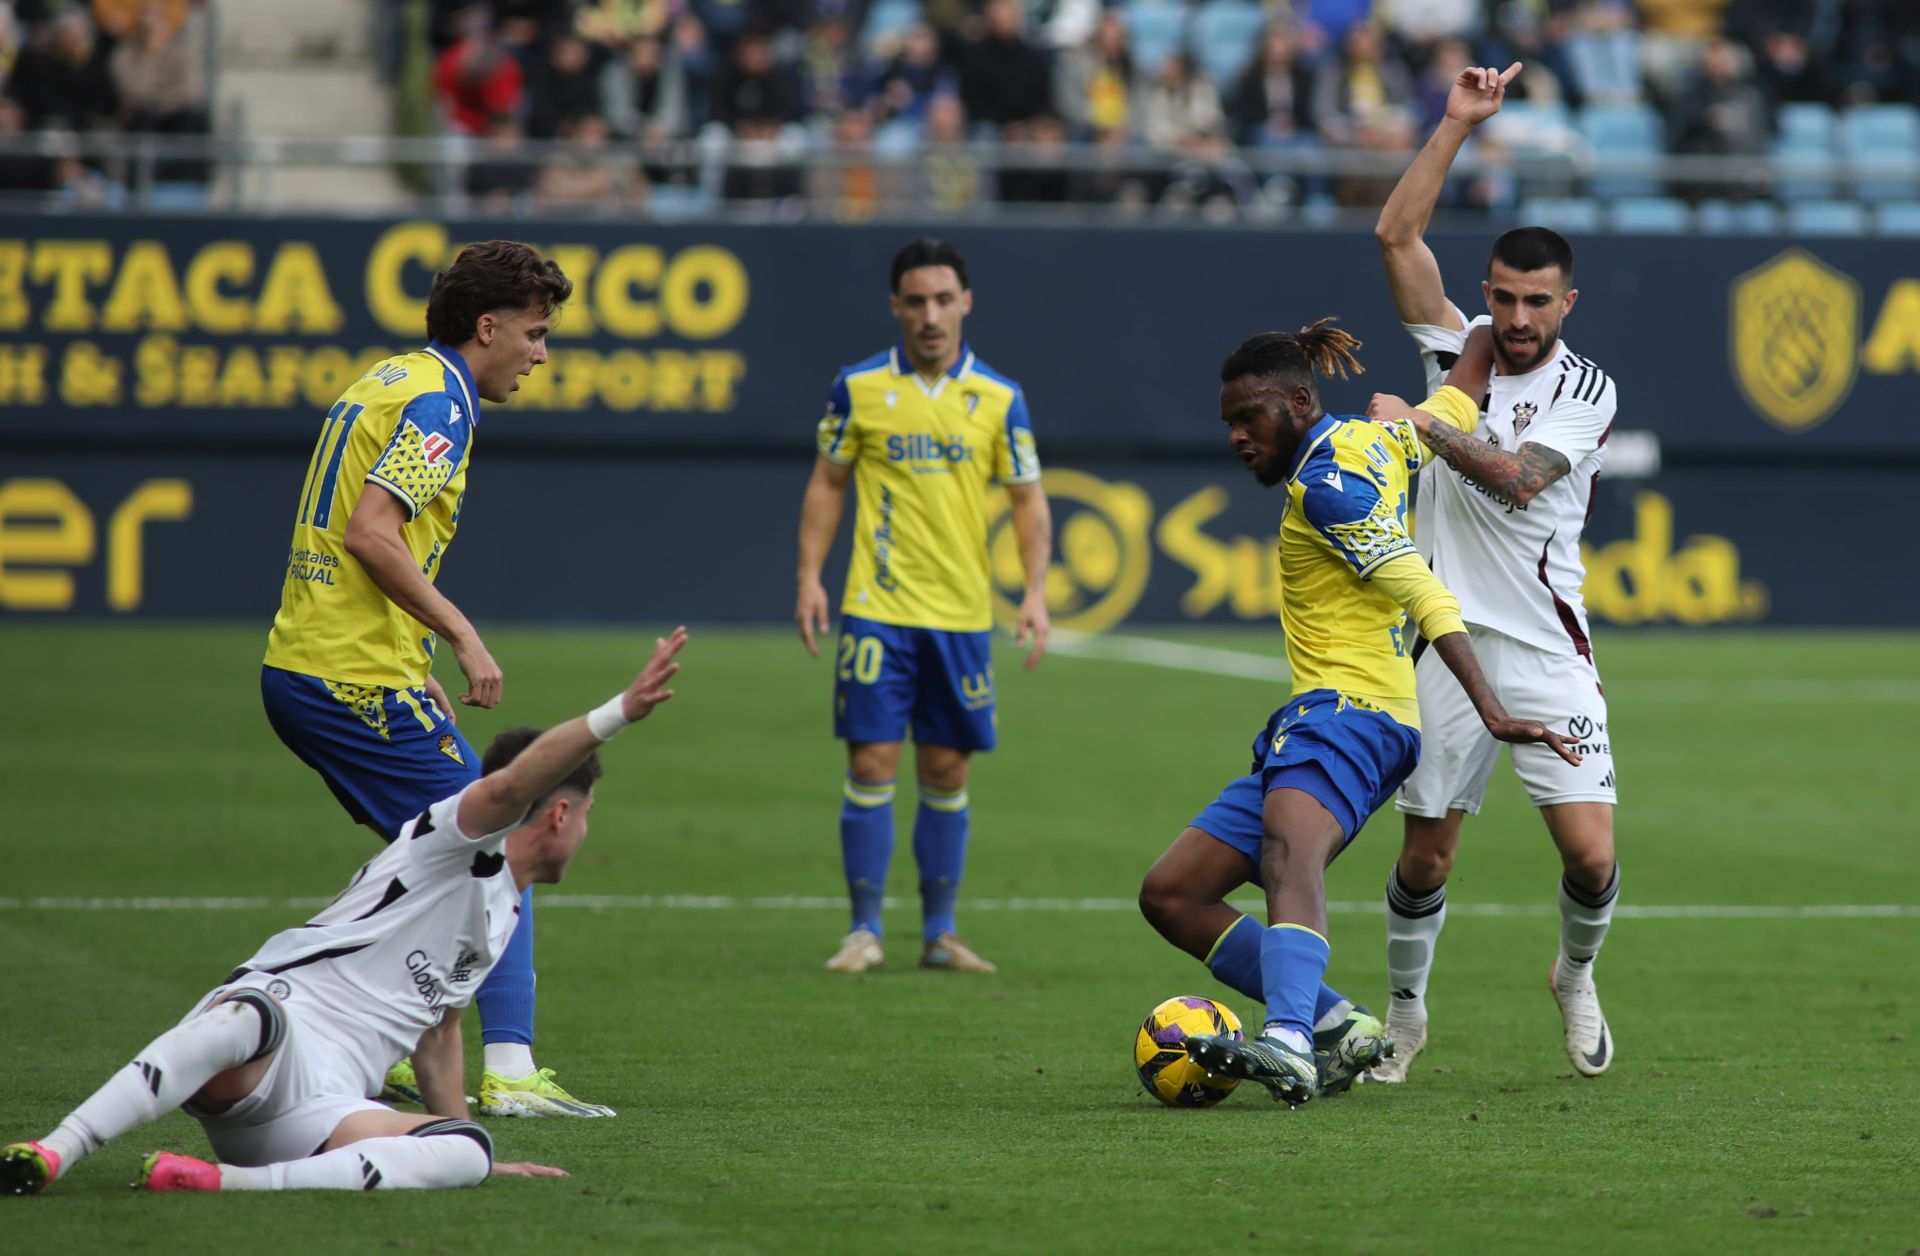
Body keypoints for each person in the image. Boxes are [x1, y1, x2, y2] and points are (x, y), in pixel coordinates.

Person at [1, 631, 688, 1196]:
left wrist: (454, 1141)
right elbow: (511, 782)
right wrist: (618, 712)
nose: (587, 831)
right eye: (588, 814)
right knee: (242, 1019)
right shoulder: (456, 838)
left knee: (470, 1153)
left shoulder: (502, 910)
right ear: (560, 813)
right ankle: (55, 1149)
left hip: (321, 1109)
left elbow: (440, 1033)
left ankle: (218, 1181)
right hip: (277, 1032)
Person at [1140, 319, 1578, 1106]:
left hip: (1354, 714)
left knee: (1287, 859)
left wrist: (1494, 711)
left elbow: (1424, 590)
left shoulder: (1330, 487)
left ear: (1300, 402)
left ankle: (1284, 1039)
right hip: (1320, 720)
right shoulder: (1380, 439)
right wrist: (1481, 331)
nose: (1239, 437)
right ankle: (1336, 1025)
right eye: (1230, 423)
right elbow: (1458, 393)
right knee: (1173, 893)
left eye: (1252, 417)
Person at [258, 241, 607, 1118]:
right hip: (349, 678)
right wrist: (458, 633)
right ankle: (513, 1072)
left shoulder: (392, 378)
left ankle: (381, 1039)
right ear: (487, 327)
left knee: (423, 863)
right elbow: (372, 534)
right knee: (498, 840)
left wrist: (408, 655)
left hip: (318, 665)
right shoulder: (441, 407)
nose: (541, 351)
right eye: (534, 331)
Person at [1370, 64, 1623, 1082]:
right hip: (1444, 636)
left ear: (1568, 301)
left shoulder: (1588, 387)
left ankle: (1575, 972)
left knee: (1592, 857)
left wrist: (1424, 422)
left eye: (1538, 302)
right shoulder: (1455, 347)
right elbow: (1396, 238)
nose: (1519, 319)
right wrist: (1455, 124)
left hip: (1545, 646)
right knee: (1427, 853)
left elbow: (1519, 480)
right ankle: (1403, 1014)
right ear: (1487, 292)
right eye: (1505, 299)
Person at [794, 238, 1054, 976]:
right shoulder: (859, 387)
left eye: (944, 300)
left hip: (964, 615)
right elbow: (827, 482)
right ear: (896, 307)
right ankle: (864, 930)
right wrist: (810, 577)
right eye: (917, 301)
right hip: (877, 608)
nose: (931, 315)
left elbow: (1028, 499)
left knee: (946, 770)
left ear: (966, 302)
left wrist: (1034, 591)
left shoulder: (1000, 398)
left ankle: (939, 933)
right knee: (872, 759)